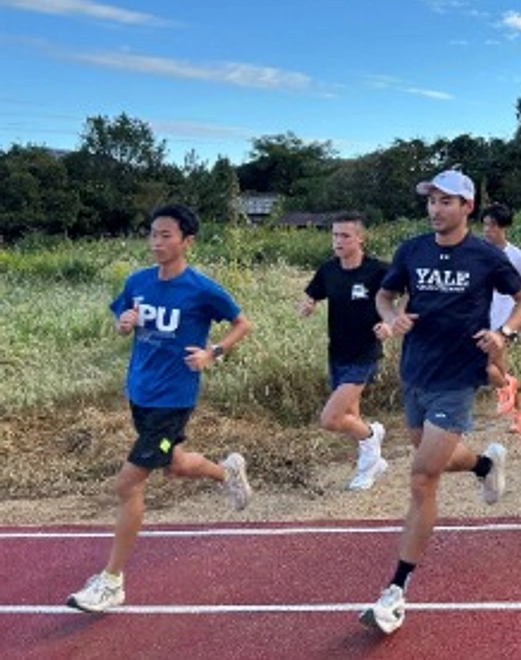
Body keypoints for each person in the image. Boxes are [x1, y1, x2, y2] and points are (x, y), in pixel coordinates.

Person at [361, 169, 521, 635]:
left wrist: (503, 333)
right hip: (415, 371)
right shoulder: (412, 250)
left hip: (458, 376)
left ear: (467, 208)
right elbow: (384, 295)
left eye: (445, 201)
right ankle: (483, 465)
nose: (436, 209)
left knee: (421, 477)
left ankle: (396, 590)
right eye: (431, 201)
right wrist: (392, 317)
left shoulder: (485, 255)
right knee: (429, 459)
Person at [66, 204, 253, 613]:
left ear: (187, 241)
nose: (156, 241)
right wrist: (124, 324)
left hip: (174, 397)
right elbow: (121, 321)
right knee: (175, 464)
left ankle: (112, 582)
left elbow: (242, 324)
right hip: (141, 393)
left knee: (127, 484)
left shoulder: (203, 289)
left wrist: (212, 353)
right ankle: (227, 471)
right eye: (153, 233)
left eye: (166, 234)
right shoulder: (137, 282)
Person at [299, 212, 392, 491]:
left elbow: (407, 294)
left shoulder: (378, 270)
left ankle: (372, 439)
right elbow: (312, 293)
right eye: (334, 235)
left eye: (345, 236)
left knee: (331, 419)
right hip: (337, 351)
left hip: (365, 352)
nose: (337, 241)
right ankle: (372, 464)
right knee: (351, 414)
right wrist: (308, 305)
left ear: (360, 238)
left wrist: (390, 323)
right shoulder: (328, 270)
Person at [481, 202, 521, 435]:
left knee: (486, 365)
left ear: (503, 227)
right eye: (485, 225)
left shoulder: (516, 256)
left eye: (493, 226)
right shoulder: (478, 253)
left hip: (507, 321)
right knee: (495, 366)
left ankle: (507, 387)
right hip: (483, 320)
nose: (488, 230)